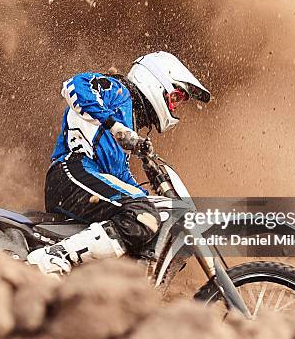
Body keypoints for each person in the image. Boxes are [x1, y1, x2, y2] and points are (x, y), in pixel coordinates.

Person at [27, 51, 210, 274]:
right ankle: (54, 258)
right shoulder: (117, 90)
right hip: (72, 172)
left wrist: (158, 204)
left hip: (89, 183)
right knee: (142, 215)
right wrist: (114, 126)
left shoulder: (128, 124)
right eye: (176, 98)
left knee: (148, 217)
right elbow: (74, 85)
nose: (175, 107)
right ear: (157, 80)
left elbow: (119, 180)